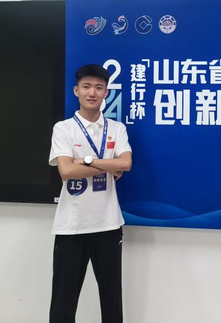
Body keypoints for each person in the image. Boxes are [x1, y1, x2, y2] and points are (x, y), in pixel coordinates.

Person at [48, 64, 132, 323]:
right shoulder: (63, 128)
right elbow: (66, 171)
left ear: (106, 92)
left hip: (108, 225)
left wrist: (85, 160)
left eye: (98, 87)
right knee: (63, 300)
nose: (92, 92)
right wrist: (108, 164)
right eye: (86, 87)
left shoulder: (116, 128)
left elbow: (126, 163)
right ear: (77, 91)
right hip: (71, 226)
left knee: (111, 299)